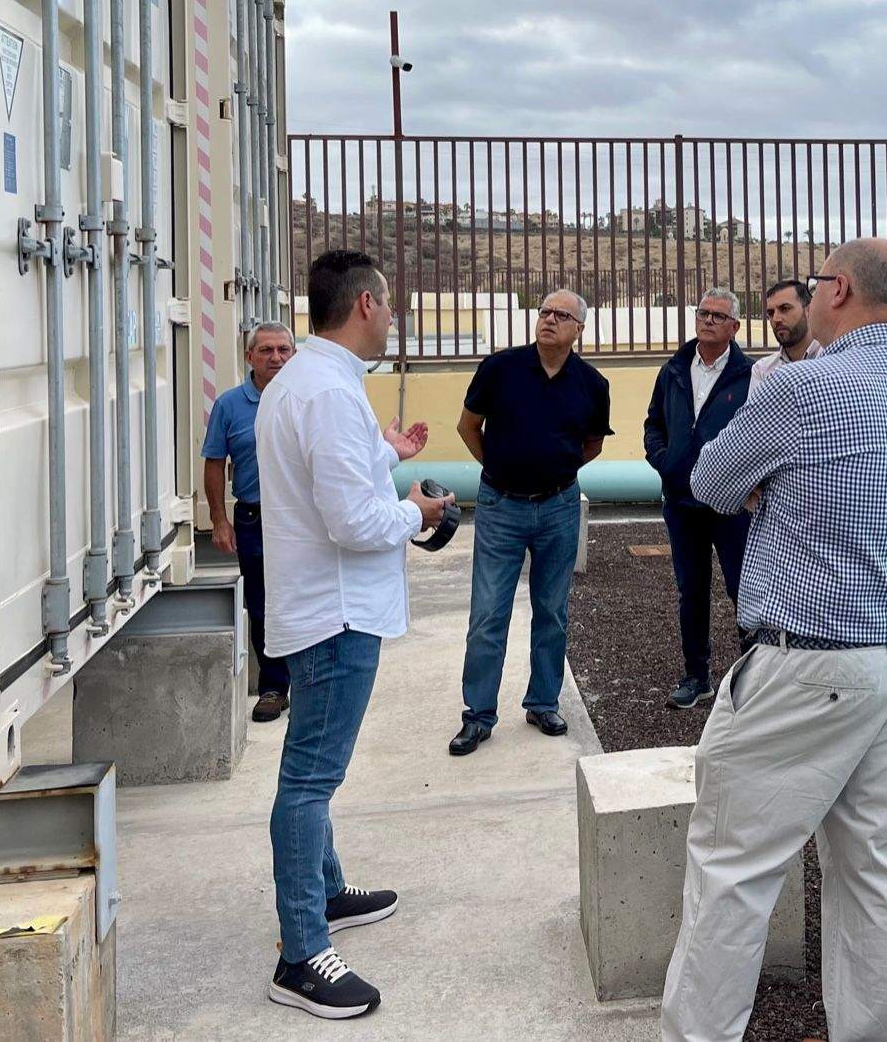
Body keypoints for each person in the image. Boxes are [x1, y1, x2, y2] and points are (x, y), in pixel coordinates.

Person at [661, 239, 887, 1042]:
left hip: (806, 663)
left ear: (840, 289)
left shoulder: (801, 386)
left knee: (733, 869)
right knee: (875, 867)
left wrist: (770, 486)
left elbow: (709, 483)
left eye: (818, 280)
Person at [258, 250, 450, 1018]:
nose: (393, 316)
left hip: (322, 607)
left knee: (312, 768)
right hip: (337, 614)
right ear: (366, 304)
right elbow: (355, 522)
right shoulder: (330, 394)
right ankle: (301, 952)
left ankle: (328, 892)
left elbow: (327, 481)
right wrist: (419, 513)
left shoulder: (305, 380)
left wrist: (386, 454)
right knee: (309, 779)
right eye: (390, 304)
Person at [448, 290, 613, 755]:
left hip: (558, 509)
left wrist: (555, 474)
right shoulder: (499, 369)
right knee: (487, 615)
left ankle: (543, 702)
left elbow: (593, 444)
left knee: (552, 611)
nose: (549, 320)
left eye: (562, 315)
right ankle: (478, 716)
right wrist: (498, 469)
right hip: (501, 507)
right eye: (544, 312)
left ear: (579, 329)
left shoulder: (592, 385)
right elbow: (468, 427)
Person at [644, 289, 754, 709]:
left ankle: (751, 681)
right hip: (682, 503)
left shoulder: (750, 376)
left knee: (742, 589)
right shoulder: (673, 369)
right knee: (691, 591)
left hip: (730, 505)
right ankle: (696, 677)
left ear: (734, 327)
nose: (708, 320)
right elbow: (654, 423)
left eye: (718, 315)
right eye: (703, 312)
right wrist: (664, 460)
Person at [203, 321, 296, 722]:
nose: (276, 358)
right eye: (266, 351)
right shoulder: (228, 405)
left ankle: (306, 683)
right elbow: (213, 462)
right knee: (261, 605)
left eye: (283, 350)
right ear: (249, 357)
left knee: (301, 599)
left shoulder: (301, 397)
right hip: (254, 519)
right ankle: (274, 688)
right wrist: (219, 520)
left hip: (297, 518)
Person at [747, 278, 821, 392]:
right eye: (771, 313)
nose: (776, 319)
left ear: (808, 311)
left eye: (785, 309)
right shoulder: (763, 370)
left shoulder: (831, 358)